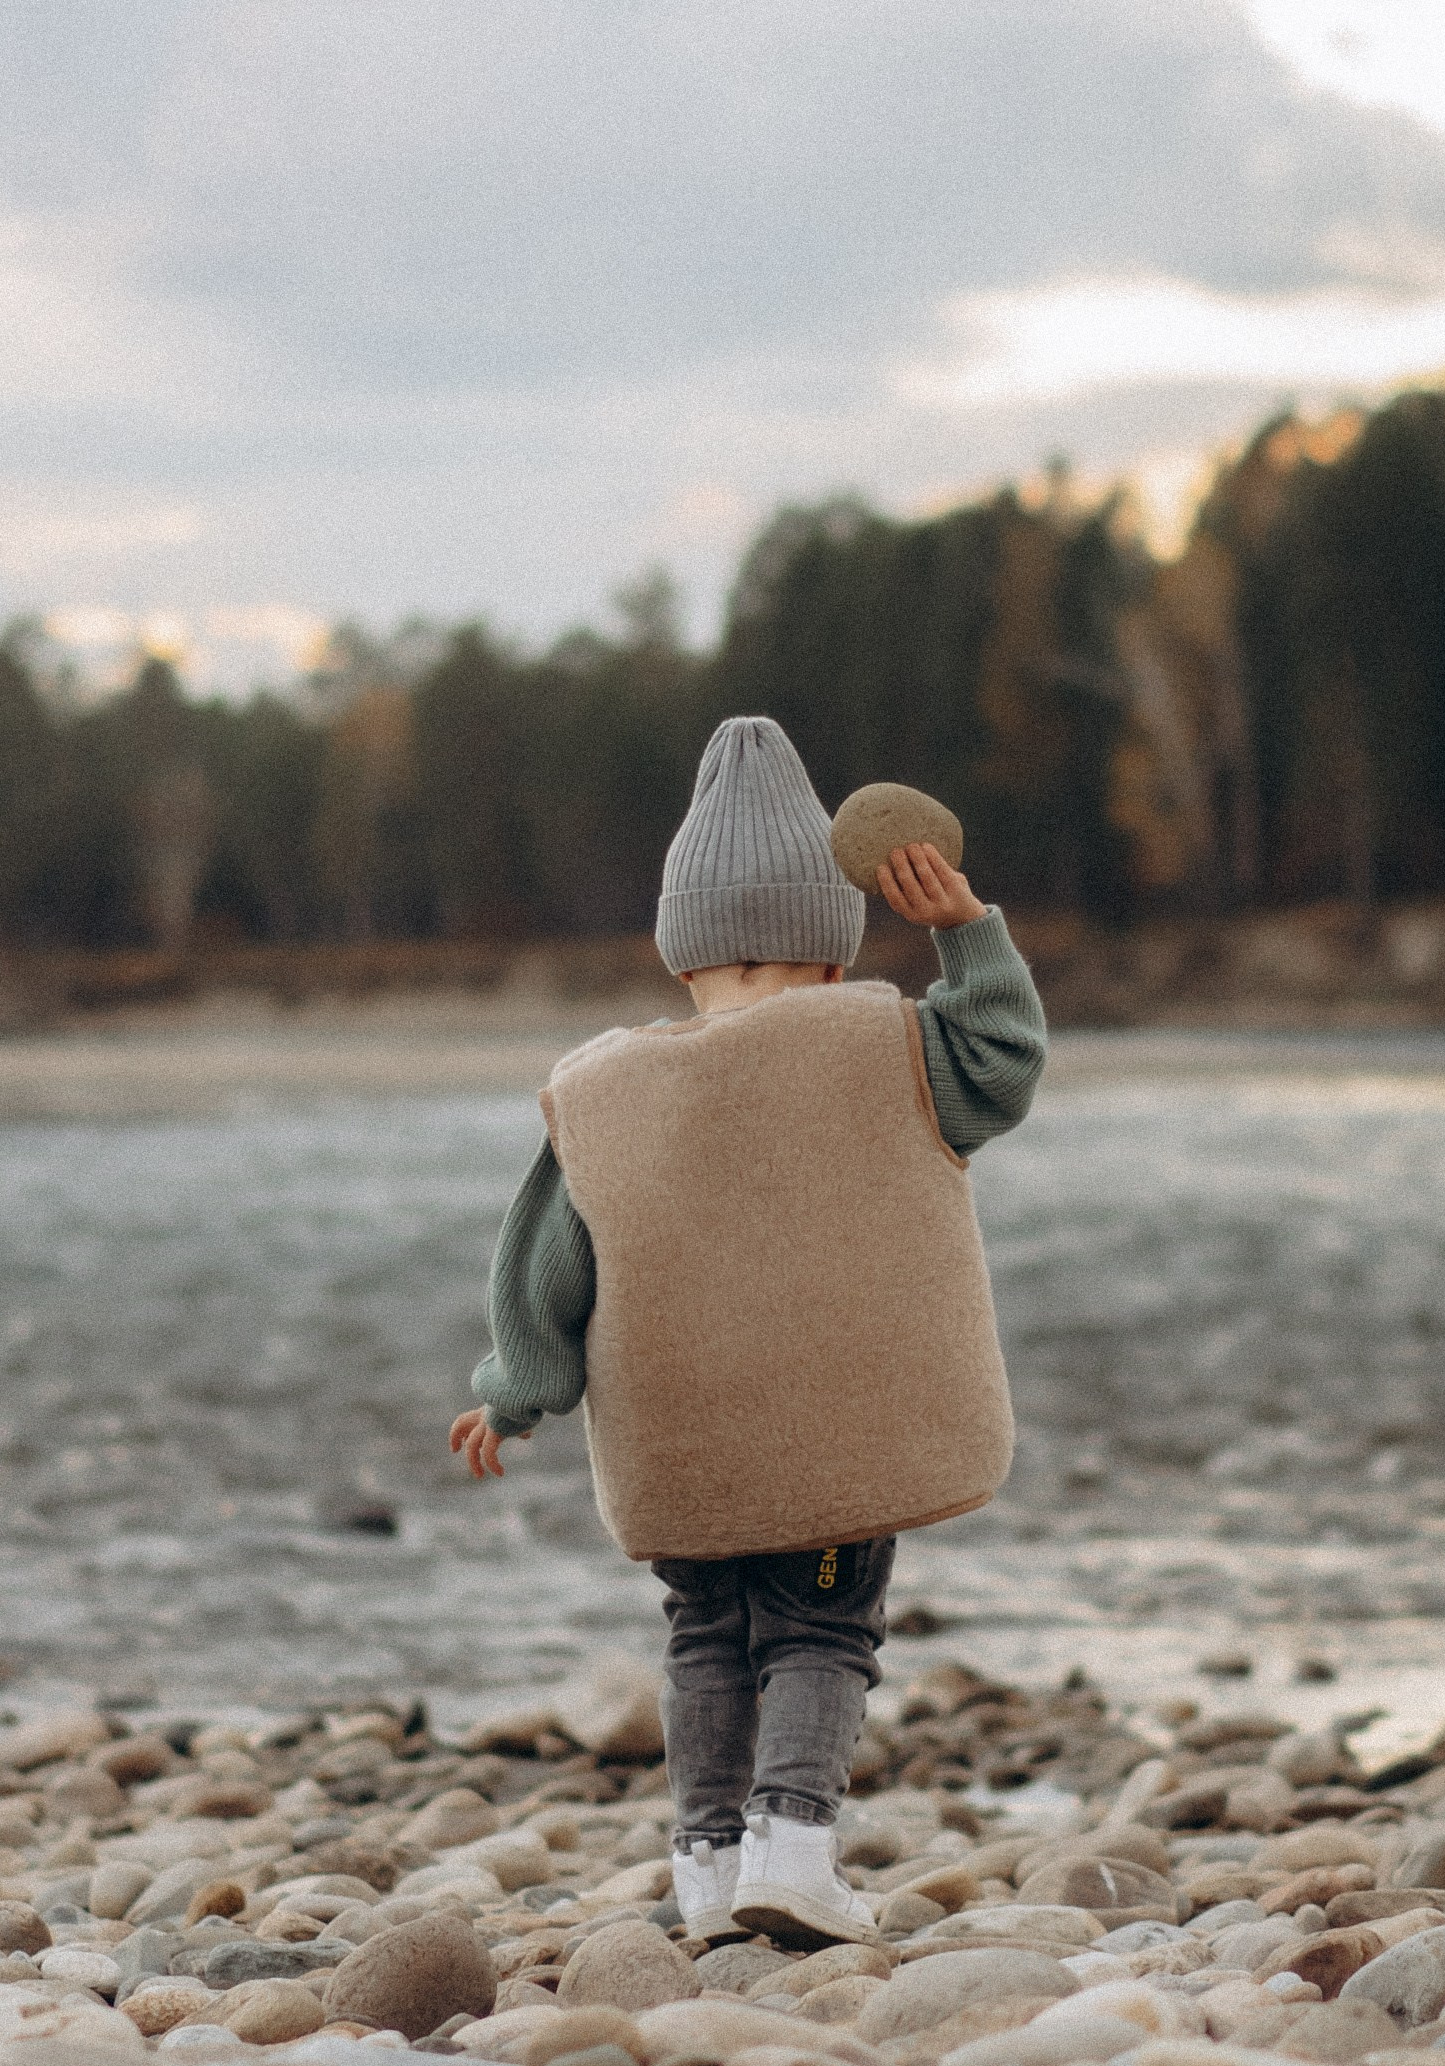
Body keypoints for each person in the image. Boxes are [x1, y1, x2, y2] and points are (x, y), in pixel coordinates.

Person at [448, 714, 1047, 1948]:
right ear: (831, 952)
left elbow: (547, 1264)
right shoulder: (889, 1042)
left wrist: (512, 1391)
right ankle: (793, 1846)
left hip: (687, 1447)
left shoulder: (608, 1088)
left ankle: (707, 1865)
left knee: (705, 1635)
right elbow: (1005, 1057)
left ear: (683, 956)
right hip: (839, 1441)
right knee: (821, 1629)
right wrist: (963, 930)